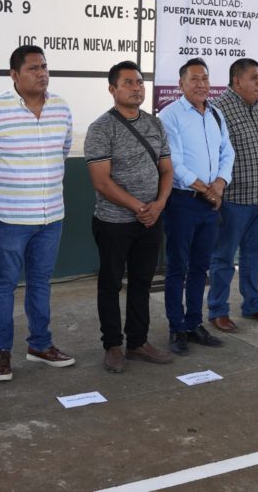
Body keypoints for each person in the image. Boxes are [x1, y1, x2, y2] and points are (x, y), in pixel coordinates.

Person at [0, 45, 75, 381]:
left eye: (44, 67)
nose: (42, 73)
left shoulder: (60, 108)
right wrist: (14, 190)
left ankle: (40, 345)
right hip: (8, 217)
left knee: (41, 283)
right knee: (3, 284)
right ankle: (0, 353)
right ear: (14, 75)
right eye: (33, 68)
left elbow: (61, 153)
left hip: (51, 217)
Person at [85, 61, 174, 372]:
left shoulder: (155, 124)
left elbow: (166, 169)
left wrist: (160, 204)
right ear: (112, 90)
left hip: (151, 220)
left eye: (139, 82)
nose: (137, 88)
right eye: (128, 83)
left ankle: (137, 342)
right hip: (114, 222)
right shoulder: (101, 128)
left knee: (142, 282)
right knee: (110, 284)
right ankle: (112, 345)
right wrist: (139, 207)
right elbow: (101, 182)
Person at [159, 58, 234, 353]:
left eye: (205, 79)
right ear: (181, 84)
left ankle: (194, 323)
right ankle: (176, 328)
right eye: (194, 79)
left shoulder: (215, 114)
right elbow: (173, 162)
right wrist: (206, 189)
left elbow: (226, 152)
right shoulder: (170, 115)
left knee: (201, 267)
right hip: (183, 202)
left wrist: (219, 184)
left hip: (210, 202)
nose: (201, 84)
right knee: (178, 267)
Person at [209, 59, 258, 329]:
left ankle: (252, 303)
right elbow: (216, 154)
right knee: (224, 258)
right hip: (234, 200)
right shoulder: (218, 109)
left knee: (255, 255)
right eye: (254, 78)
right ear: (237, 81)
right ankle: (217, 310)